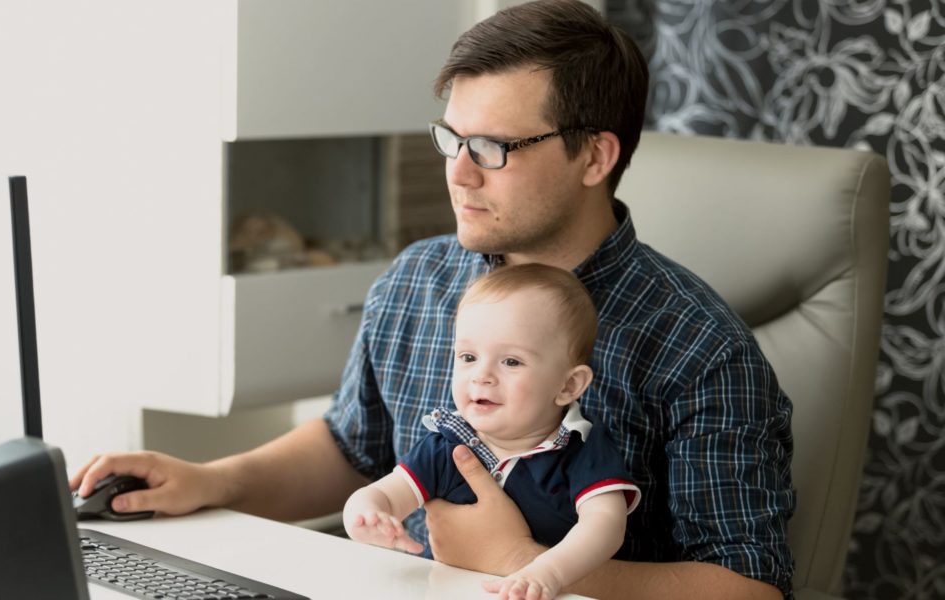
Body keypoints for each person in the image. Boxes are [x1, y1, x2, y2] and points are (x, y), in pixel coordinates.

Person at [70, 1, 796, 598]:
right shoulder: (418, 278)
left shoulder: (700, 347)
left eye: (493, 149)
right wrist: (211, 481)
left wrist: (517, 561)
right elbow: (351, 447)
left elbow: (749, 585)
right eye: (452, 138)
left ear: (595, 157)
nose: (459, 174)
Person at [343, 263, 641, 600]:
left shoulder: (582, 447)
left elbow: (604, 526)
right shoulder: (446, 445)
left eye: (511, 361)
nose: (481, 375)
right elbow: (384, 494)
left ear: (568, 385)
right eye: (468, 356)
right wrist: (366, 515)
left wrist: (547, 570)